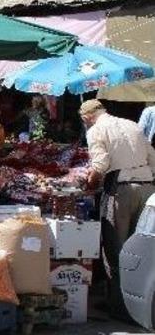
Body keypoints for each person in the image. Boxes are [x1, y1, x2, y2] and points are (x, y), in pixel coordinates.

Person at [80, 99, 155, 320]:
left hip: (121, 191)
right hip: (146, 188)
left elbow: (100, 164)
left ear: (87, 118)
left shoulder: (96, 130)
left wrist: (89, 184)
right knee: (139, 250)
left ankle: (120, 308)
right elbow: (152, 157)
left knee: (116, 250)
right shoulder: (132, 124)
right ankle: (140, 305)